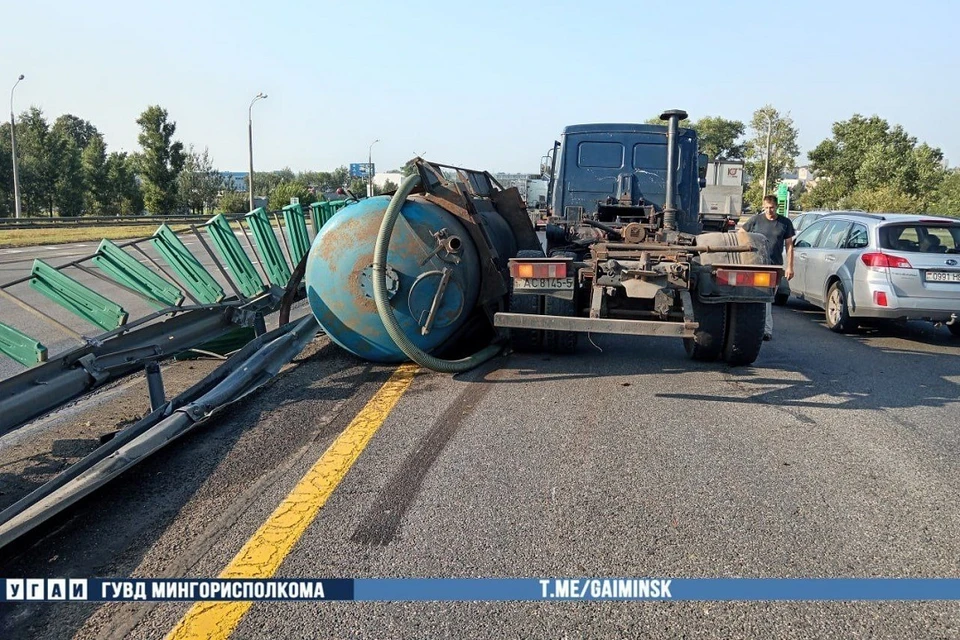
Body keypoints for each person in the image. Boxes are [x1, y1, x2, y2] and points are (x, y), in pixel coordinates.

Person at [742, 195, 795, 341]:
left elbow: (790, 246)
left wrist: (789, 267)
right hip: (756, 263)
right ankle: (757, 328)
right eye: (766, 207)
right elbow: (741, 232)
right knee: (754, 295)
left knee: (768, 297)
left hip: (774, 265)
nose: (769, 210)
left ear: (777, 207)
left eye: (771, 207)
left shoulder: (784, 223)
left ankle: (766, 329)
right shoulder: (756, 220)